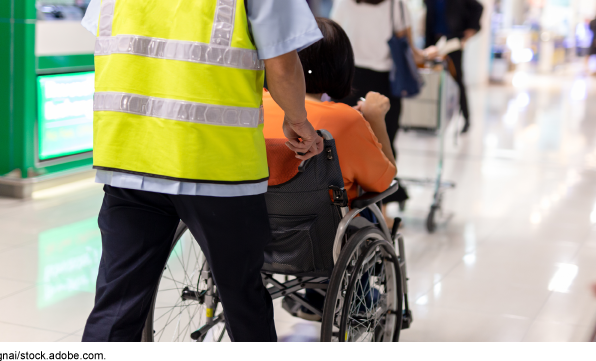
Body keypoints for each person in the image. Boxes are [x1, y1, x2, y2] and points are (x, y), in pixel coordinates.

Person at [80, 0, 324, 342]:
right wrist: (298, 120)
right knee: (242, 300)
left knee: (117, 302)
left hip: (129, 155)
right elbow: (282, 66)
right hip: (215, 165)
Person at [263, 18, 398, 321]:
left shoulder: (253, 105)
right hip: (322, 241)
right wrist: (374, 120)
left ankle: (312, 294)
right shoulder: (346, 121)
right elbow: (385, 181)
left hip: (252, 229)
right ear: (341, 66)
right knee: (357, 210)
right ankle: (355, 300)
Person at [330, 0, 422, 224]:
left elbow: (332, 37)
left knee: (346, 144)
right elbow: (409, 49)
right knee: (383, 143)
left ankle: (343, 206)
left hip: (348, 78)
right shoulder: (395, 4)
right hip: (383, 84)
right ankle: (383, 213)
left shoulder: (343, 2)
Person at [424, 0, 484, 133]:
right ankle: (432, 121)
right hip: (434, 43)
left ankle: (466, 119)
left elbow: (478, 7)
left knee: (457, 79)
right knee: (433, 82)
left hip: (453, 42)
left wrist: (471, 30)